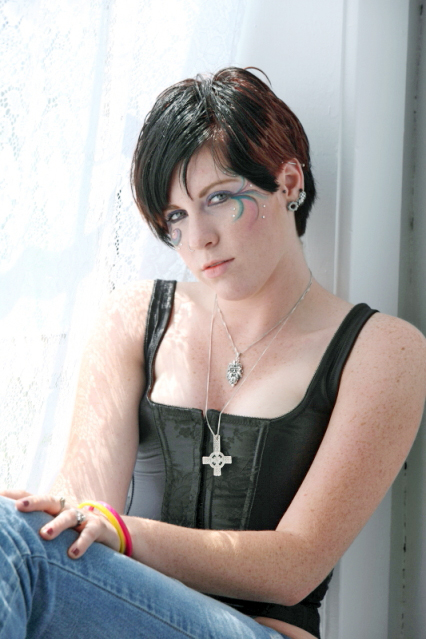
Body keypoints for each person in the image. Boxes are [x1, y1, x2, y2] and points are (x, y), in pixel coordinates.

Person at [1, 67, 425, 639]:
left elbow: (296, 565)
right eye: (175, 215)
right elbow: (79, 510)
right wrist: (50, 516)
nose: (197, 237)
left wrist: (125, 533)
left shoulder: (383, 350)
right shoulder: (134, 318)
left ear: (288, 182)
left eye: (219, 198)